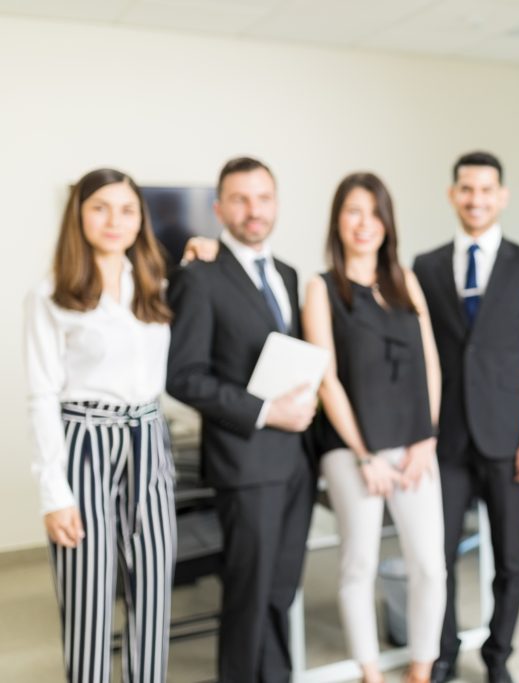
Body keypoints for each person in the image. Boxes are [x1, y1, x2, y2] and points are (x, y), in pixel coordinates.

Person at [166, 157, 316, 683]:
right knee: (248, 597)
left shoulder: (290, 274)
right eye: (240, 199)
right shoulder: (199, 278)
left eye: (263, 198)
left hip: (298, 461)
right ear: (218, 208)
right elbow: (183, 376)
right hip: (245, 462)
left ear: (275, 203)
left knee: (281, 591)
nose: (254, 210)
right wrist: (266, 411)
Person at [25, 168, 177, 682]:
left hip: (150, 440)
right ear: (79, 214)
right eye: (100, 207)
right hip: (85, 442)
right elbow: (42, 394)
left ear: (140, 219)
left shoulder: (156, 282)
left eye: (127, 209)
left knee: (153, 595)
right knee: (88, 600)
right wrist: (54, 492)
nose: (115, 220)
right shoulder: (50, 294)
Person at [304, 172, 446, 683]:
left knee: (430, 566)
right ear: (337, 221)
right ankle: (371, 675)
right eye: (353, 212)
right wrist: (364, 455)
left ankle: (419, 673)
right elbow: (328, 381)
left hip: (413, 445)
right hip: (350, 450)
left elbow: (429, 362)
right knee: (358, 565)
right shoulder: (321, 289)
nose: (365, 224)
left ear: (388, 222)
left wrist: (426, 437)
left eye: (374, 212)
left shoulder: (406, 281)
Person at [413, 152, 519, 683]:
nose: (476, 199)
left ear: (502, 196)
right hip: (444, 438)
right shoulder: (424, 266)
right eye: (467, 189)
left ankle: (498, 658)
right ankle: (442, 653)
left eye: (486, 190)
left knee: (512, 561)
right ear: (453, 194)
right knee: (436, 559)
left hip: (505, 435)